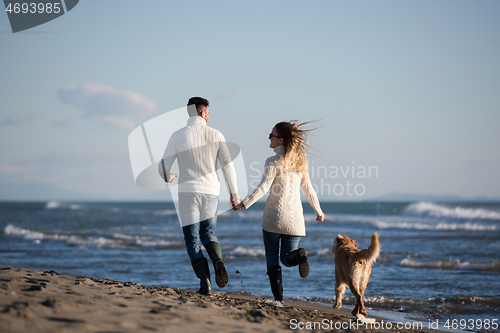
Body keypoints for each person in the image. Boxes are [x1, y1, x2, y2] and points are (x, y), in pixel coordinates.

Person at [234, 121, 324, 306]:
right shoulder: (301, 162)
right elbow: (309, 189)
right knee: (287, 258)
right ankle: (299, 256)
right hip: (295, 221)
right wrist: (318, 211)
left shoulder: (272, 161)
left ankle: (278, 300)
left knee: (272, 258)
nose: (269, 138)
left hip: (273, 219)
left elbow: (263, 187)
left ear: (280, 139)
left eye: (271, 135)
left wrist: (244, 203)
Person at [158, 97, 241, 295]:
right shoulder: (216, 134)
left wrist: (169, 178)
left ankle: (206, 285)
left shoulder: (177, 135)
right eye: (209, 113)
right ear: (203, 113)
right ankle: (217, 259)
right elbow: (228, 167)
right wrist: (234, 194)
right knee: (209, 234)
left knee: (192, 240)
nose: (209, 116)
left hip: (187, 192)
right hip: (211, 192)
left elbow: (163, 167)